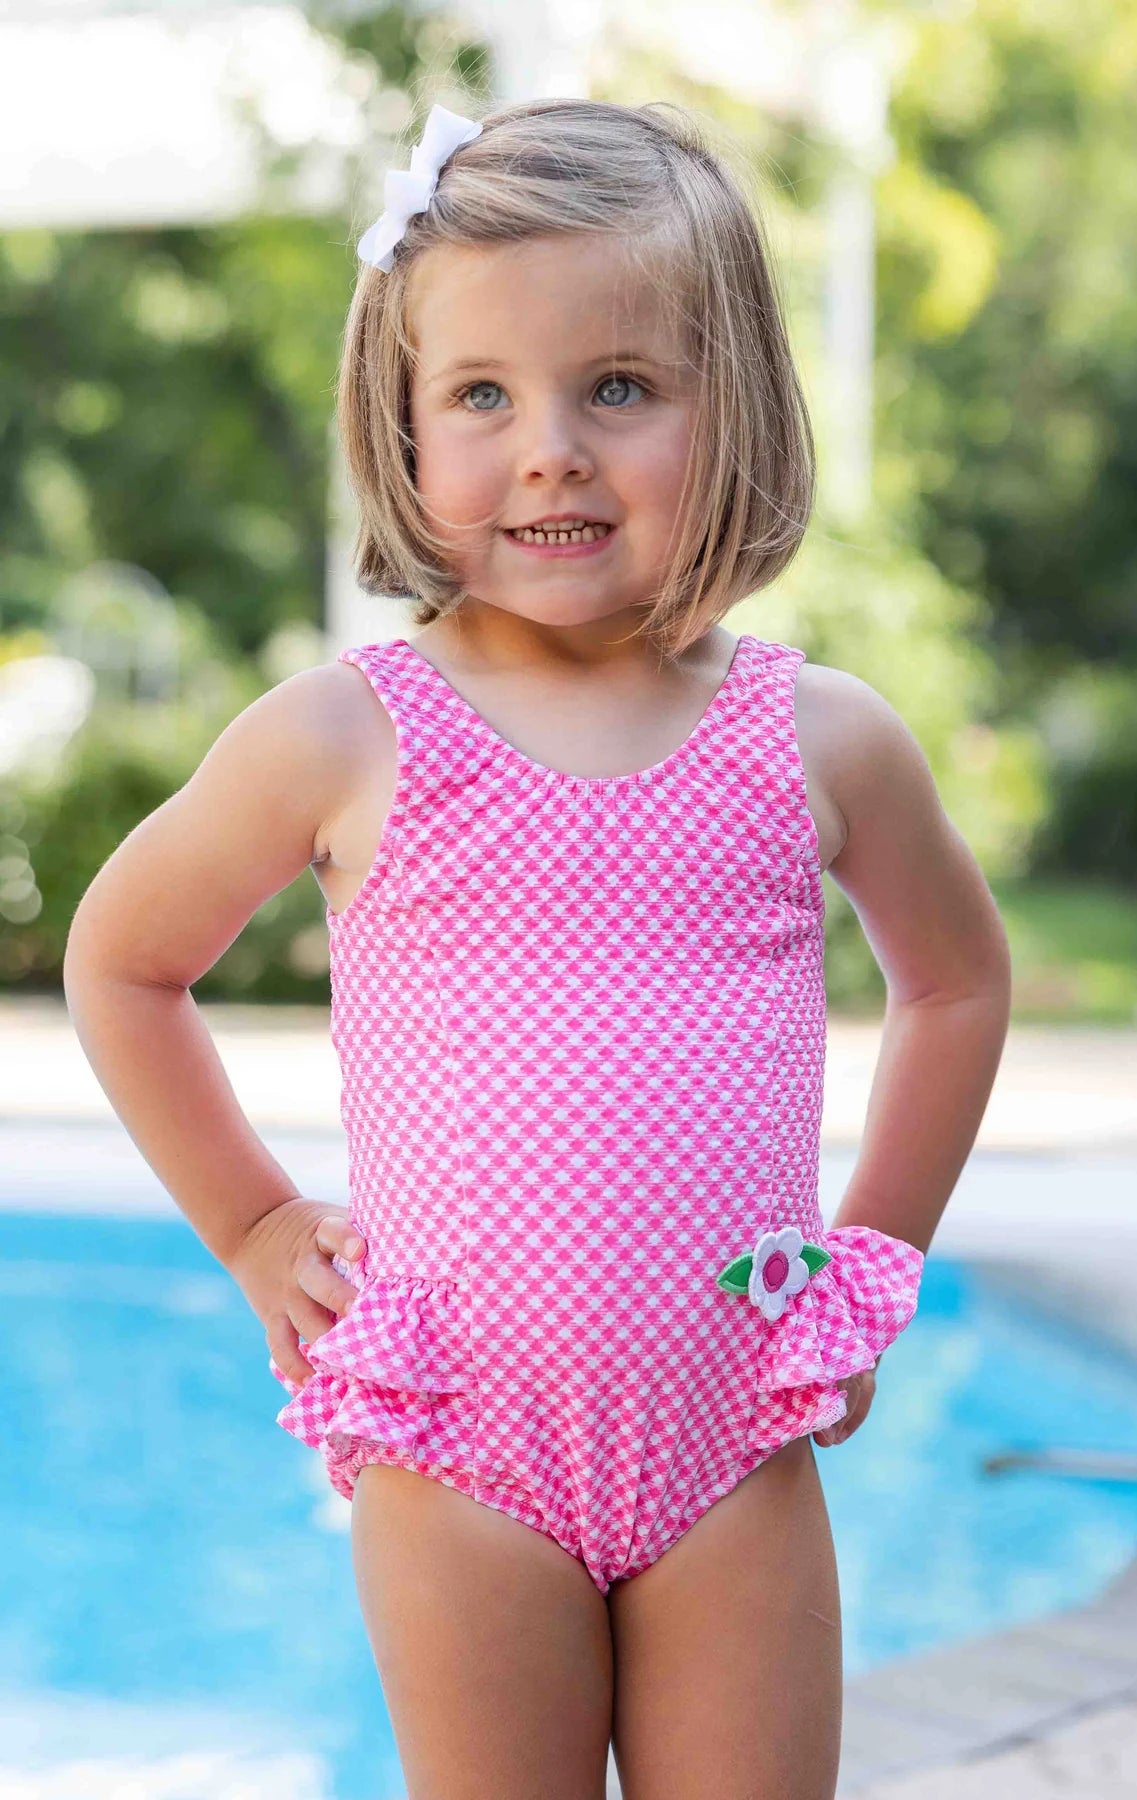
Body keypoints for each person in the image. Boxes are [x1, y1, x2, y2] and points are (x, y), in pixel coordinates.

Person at [64, 96, 1011, 1800]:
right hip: (462, 1460)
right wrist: (255, 1224)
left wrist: (870, 1268)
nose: (552, 449)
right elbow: (124, 961)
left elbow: (959, 981)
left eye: (622, 389)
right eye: (482, 396)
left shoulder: (823, 739)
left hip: (733, 1443)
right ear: (401, 426)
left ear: (737, 416)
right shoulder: (346, 737)